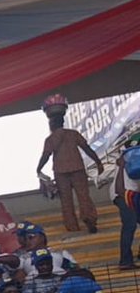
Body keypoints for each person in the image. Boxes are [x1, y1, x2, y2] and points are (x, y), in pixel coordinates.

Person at [37, 95, 104, 233]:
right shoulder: (73, 134)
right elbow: (87, 148)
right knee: (84, 197)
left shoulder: (50, 139)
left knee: (66, 202)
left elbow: (46, 155)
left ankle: (72, 226)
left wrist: (38, 168)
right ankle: (89, 219)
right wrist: (98, 162)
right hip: (78, 168)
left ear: (52, 124)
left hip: (61, 172)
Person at [115, 135, 140, 270]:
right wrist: (120, 167)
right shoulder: (128, 162)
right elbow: (119, 190)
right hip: (124, 194)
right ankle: (125, 261)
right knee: (130, 224)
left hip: (133, 193)